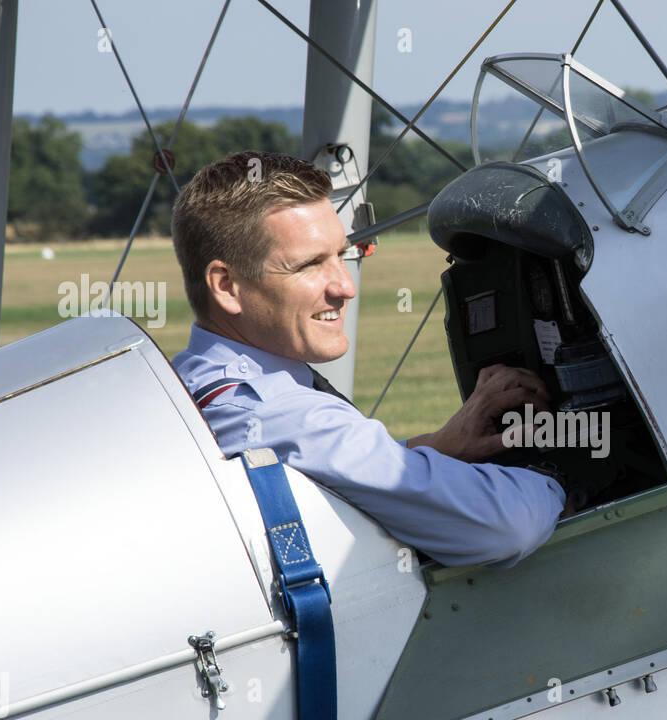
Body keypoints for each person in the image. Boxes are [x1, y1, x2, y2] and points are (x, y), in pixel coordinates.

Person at [170, 150, 564, 567]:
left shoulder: (195, 381)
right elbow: (502, 526)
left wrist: (438, 447)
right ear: (227, 285)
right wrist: (557, 480)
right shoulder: (270, 412)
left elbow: (330, 467)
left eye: (341, 255)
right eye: (309, 265)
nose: (345, 287)